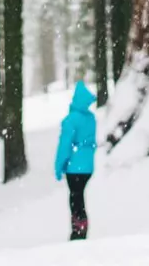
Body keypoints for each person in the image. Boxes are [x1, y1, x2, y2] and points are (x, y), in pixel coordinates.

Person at [53, 80, 98, 240]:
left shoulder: (71, 120)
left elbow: (64, 145)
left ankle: (78, 230)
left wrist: (59, 166)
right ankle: (82, 227)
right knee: (79, 196)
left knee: (75, 198)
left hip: (75, 167)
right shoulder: (91, 119)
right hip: (88, 166)